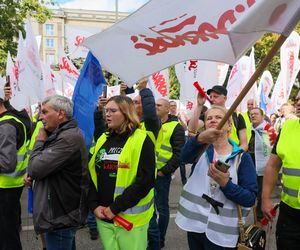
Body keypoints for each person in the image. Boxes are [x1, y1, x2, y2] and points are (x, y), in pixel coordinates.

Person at [176, 105, 257, 250]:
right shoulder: (201, 148)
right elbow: (183, 157)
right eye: (209, 118)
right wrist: (199, 139)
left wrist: (226, 184)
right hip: (195, 227)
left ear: (229, 126)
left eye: (219, 117)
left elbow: (250, 198)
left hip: (222, 235)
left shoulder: (241, 158)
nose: (213, 120)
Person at [88, 95, 156, 250]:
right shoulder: (103, 139)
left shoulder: (142, 139)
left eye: (112, 110)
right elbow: (92, 172)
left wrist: (115, 208)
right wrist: (93, 205)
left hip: (129, 219)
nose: (107, 114)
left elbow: (145, 181)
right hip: (103, 215)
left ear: (126, 113)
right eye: (106, 111)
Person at [25, 95, 89, 250]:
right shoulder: (59, 134)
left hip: (60, 216)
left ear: (60, 114)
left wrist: (39, 141)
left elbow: (35, 168)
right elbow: (42, 168)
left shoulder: (67, 138)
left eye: (45, 112)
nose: (40, 117)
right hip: (60, 214)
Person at [262, 90, 300, 249]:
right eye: (297, 99)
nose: (298, 103)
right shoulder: (288, 127)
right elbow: (272, 165)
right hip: (289, 215)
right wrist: (265, 199)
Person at [148, 98, 185, 250]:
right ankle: (152, 237)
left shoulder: (176, 127)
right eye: (154, 104)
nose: (155, 107)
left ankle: (159, 239)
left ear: (168, 109)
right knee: (146, 209)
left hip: (161, 175)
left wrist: (164, 171)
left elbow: (179, 154)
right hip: (146, 174)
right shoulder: (148, 123)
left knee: (162, 209)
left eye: (159, 105)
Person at [0, 90, 29, 250]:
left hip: (6, 188)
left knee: (7, 237)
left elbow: (7, 162)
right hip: (9, 186)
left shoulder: (6, 125)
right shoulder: (8, 121)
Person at [189, 85, 248, 151]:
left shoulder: (237, 116)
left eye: (215, 96)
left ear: (225, 98)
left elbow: (244, 144)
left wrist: (234, 156)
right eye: (210, 97)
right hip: (212, 157)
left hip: (232, 155)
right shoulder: (206, 115)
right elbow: (191, 129)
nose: (211, 99)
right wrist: (199, 105)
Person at [248, 107, 277, 221]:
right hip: (251, 164)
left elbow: (273, 148)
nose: (253, 116)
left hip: (263, 167)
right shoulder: (250, 129)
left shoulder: (267, 129)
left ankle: (261, 218)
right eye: (251, 114)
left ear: (262, 116)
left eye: (256, 114)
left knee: (261, 192)